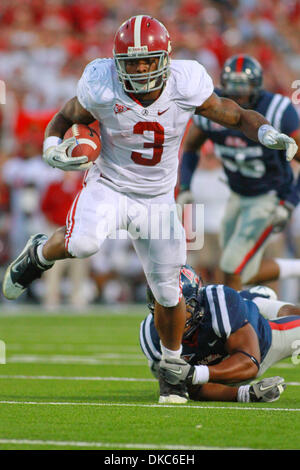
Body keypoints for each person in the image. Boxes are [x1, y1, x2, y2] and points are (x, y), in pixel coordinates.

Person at [2, 17, 298, 404]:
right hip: (109, 185)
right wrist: (51, 145)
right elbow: (65, 116)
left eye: (148, 61)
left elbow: (234, 113)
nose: (140, 69)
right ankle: (39, 253)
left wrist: (264, 132)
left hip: (158, 198)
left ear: (165, 58)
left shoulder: (186, 81)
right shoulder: (102, 82)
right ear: (117, 61)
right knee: (84, 242)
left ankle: (172, 376)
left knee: (170, 293)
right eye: (132, 62)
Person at [177, 54, 300, 291]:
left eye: (243, 88)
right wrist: (185, 187)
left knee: (231, 265)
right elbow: (191, 147)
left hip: (269, 197)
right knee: (241, 270)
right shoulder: (215, 108)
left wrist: (289, 203)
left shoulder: (277, 110)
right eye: (232, 88)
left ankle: (236, 323)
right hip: (236, 194)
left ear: (257, 87)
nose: (237, 96)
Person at [140, 264, 300, 403]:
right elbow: (196, 390)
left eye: (184, 309)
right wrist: (245, 394)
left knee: (284, 310)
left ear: (197, 301)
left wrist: (194, 373)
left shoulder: (220, 303)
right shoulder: (151, 336)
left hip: (264, 342)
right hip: (220, 376)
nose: (176, 317)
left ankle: (259, 296)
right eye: (163, 309)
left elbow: (249, 362)